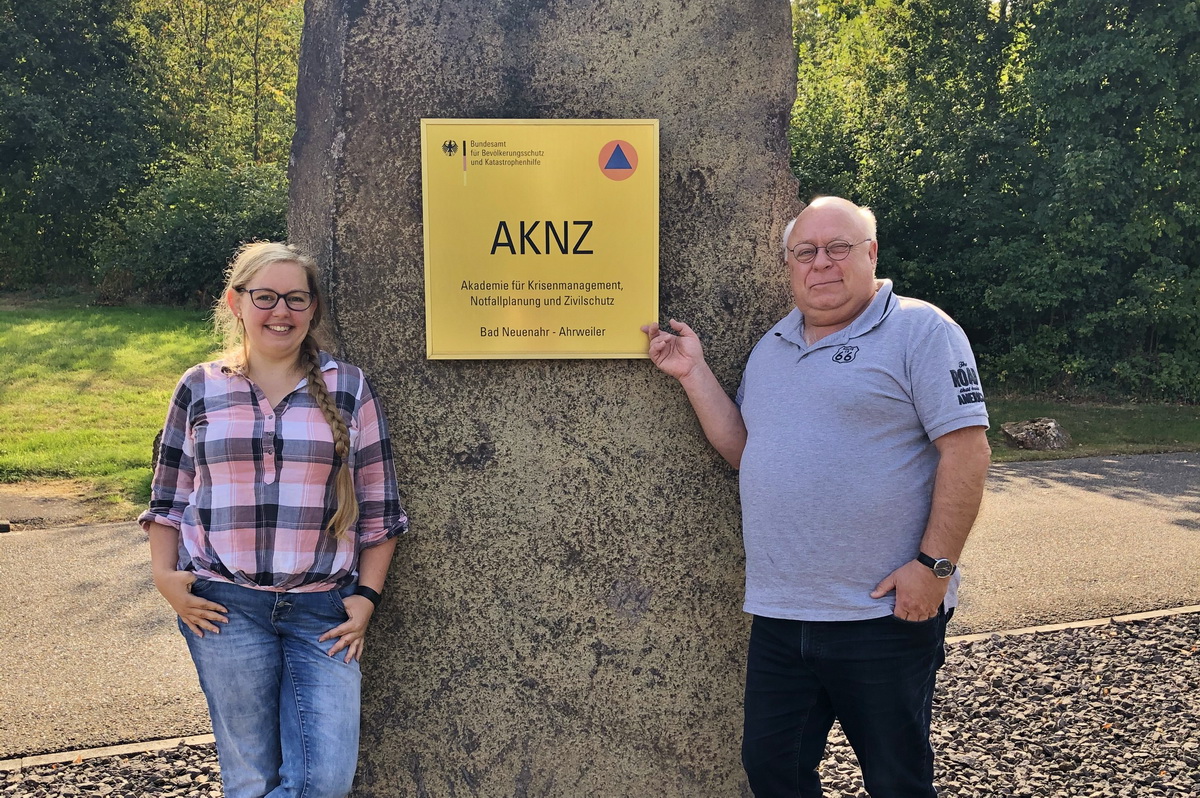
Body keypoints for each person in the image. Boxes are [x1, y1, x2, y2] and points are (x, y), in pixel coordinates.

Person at [642, 196, 990, 797]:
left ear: (871, 254)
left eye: (838, 248)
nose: (821, 263)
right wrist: (693, 373)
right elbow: (746, 448)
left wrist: (934, 568)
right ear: (789, 266)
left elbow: (968, 450)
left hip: (880, 615)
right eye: (806, 252)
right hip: (782, 613)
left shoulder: (921, 329)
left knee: (896, 780)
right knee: (774, 770)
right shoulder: (773, 346)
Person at [140, 241, 408, 798]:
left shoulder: (348, 387)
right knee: (250, 776)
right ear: (236, 302)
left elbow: (381, 508)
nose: (280, 311)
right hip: (224, 607)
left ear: (313, 310)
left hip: (324, 611)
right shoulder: (199, 387)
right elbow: (168, 496)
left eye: (295, 298)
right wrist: (165, 579)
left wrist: (367, 598)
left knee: (324, 781)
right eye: (265, 297)